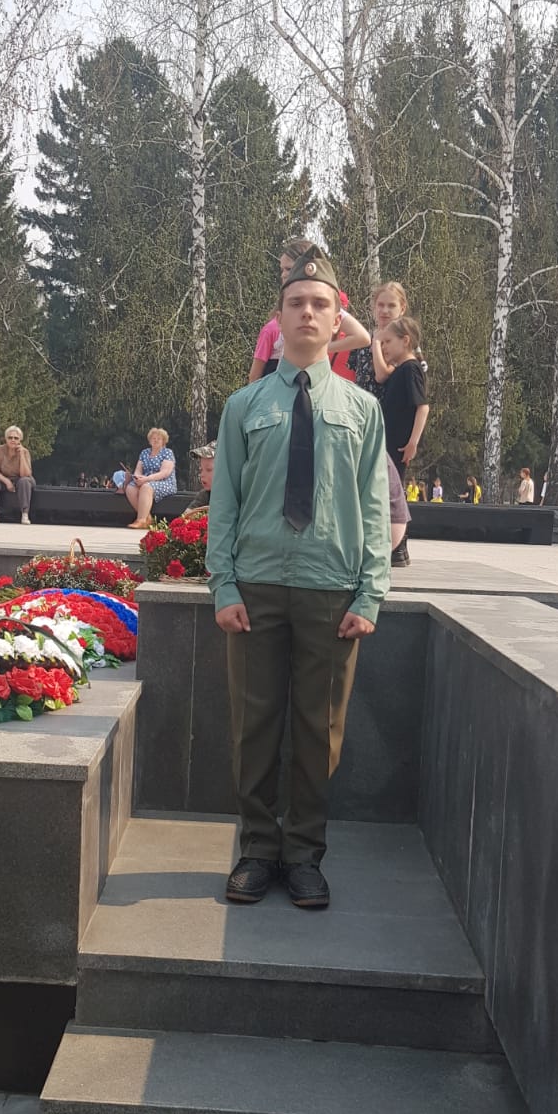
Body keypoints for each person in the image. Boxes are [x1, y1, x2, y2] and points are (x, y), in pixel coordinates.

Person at [207, 244, 391, 912]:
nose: (308, 313)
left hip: (331, 591)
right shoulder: (244, 405)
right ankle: (258, 850)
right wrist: (223, 586)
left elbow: (374, 506)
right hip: (256, 587)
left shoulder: (362, 410)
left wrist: (371, 592)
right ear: (279, 317)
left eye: (320, 304)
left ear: (337, 318)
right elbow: (223, 504)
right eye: (296, 303)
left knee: (320, 729)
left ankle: (304, 854)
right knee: (254, 726)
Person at [248, 239, 370, 384]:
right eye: (295, 304)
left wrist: (322, 347)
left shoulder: (327, 307)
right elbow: (255, 375)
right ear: (281, 319)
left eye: (288, 269)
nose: (283, 275)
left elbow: (362, 337)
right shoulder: (271, 327)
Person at [377, 316, 429, 567]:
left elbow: (423, 407)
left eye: (388, 342)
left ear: (405, 341)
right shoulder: (400, 370)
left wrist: (413, 442)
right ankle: (397, 547)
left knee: (392, 494)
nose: (384, 346)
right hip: (390, 442)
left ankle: (397, 547)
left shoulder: (410, 369)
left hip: (398, 445)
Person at [125, 428, 177, 529]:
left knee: (146, 487)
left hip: (164, 482)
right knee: (130, 488)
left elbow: (164, 473)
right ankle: (147, 517)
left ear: (163, 441)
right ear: (149, 440)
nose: (156, 440)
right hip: (145, 480)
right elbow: (138, 469)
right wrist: (137, 478)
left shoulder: (167, 453)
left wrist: (146, 479)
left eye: (159, 438)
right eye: (153, 438)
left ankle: (141, 520)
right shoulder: (144, 452)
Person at [0, 427, 36, 525]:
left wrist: (21, 456)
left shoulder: (25, 452)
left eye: (16, 438)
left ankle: (25, 514)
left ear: (20, 440)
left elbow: (25, 474)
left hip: (21, 479)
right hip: (4, 478)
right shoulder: (0, 450)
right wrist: (6, 481)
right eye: (10, 437)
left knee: (25, 481)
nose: (13, 440)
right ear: (6, 439)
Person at [180, 441, 215, 516]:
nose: (202, 475)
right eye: (201, 470)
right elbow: (185, 517)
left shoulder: (236, 496)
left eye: (209, 469)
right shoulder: (205, 495)